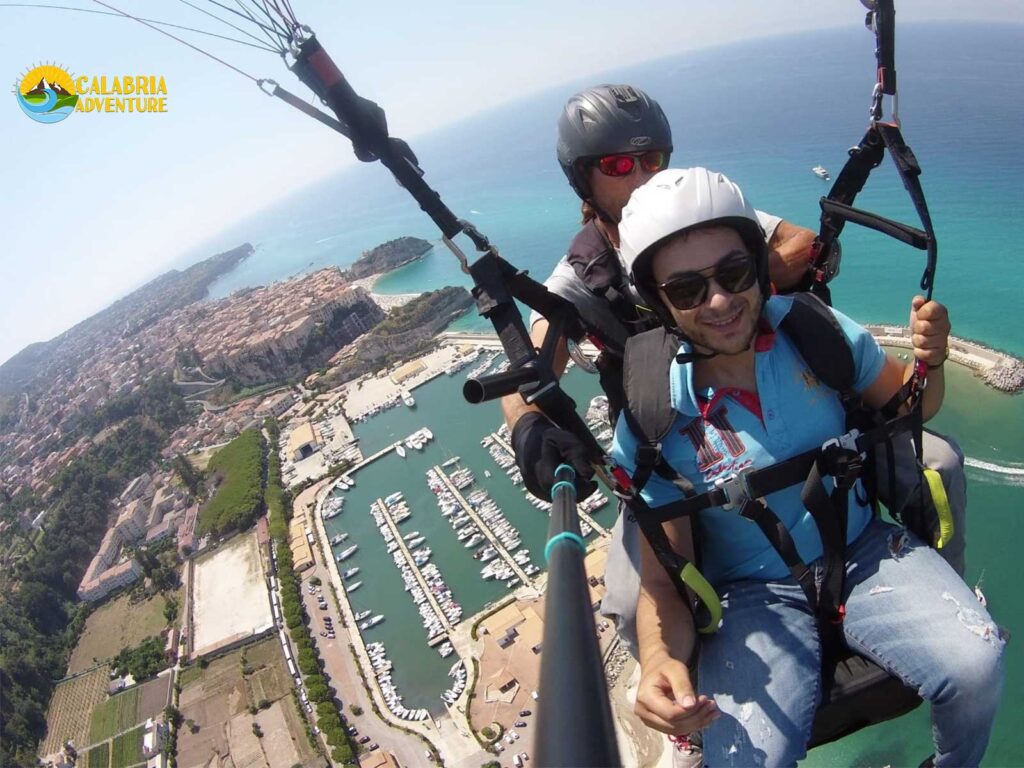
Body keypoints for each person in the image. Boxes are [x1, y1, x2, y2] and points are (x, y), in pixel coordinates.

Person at [503, 84, 968, 659]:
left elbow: (805, 245)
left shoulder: (707, 217)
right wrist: (528, 428)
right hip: (669, 440)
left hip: (774, 384)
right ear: (584, 181)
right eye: (620, 165)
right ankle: (681, 689)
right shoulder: (578, 281)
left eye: (654, 160)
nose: (644, 176)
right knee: (627, 599)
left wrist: (714, 285)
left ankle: (944, 593)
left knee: (939, 463)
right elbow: (528, 372)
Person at [611, 167, 1004, 766]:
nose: (719, 300)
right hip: (751, 596)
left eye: (734, 272)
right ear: (660, 302)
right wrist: (661, 660)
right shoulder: (655, 417)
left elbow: (911, 407)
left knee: (978, 665)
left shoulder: (815, 333)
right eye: (688, 290)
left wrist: (935, 360)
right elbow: (665, 579)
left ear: (758, 266)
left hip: (864, 547)